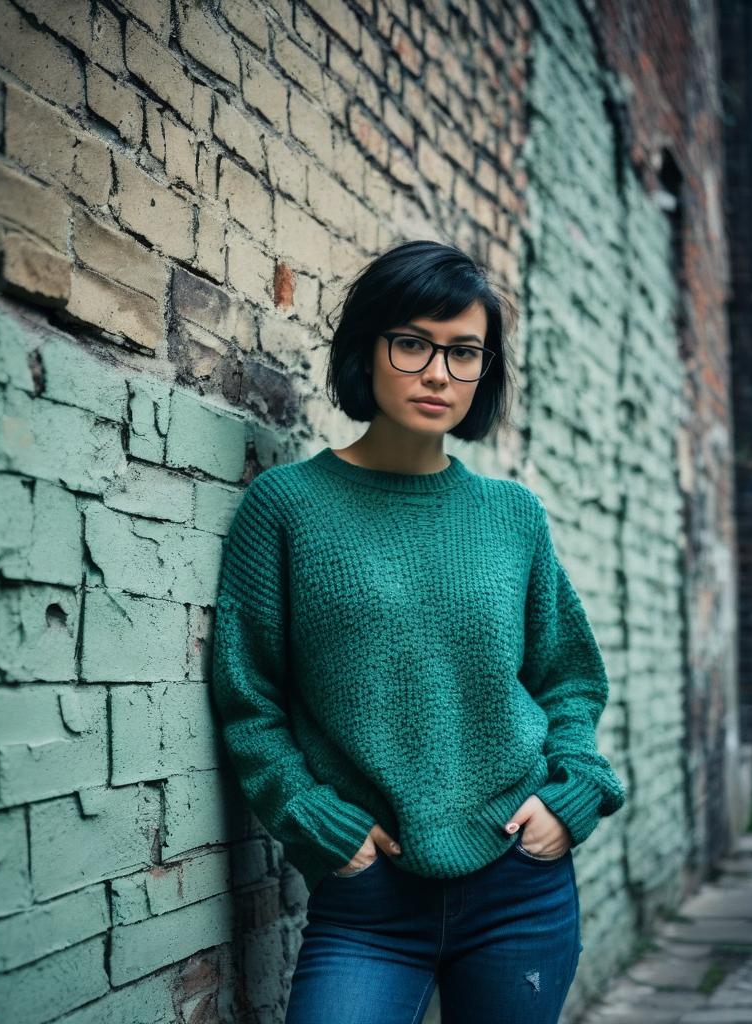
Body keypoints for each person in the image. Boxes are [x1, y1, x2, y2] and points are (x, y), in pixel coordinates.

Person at [210, 239, 627, 1024]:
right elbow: (248, 697)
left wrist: (568, 796)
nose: (439, 373)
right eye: (413, 344)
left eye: (464, 352)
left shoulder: (512, 516)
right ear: (368, 347)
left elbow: (568, 677)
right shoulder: (288, 509)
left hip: (520, 884)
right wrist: (315, 820)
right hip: (369, 899)